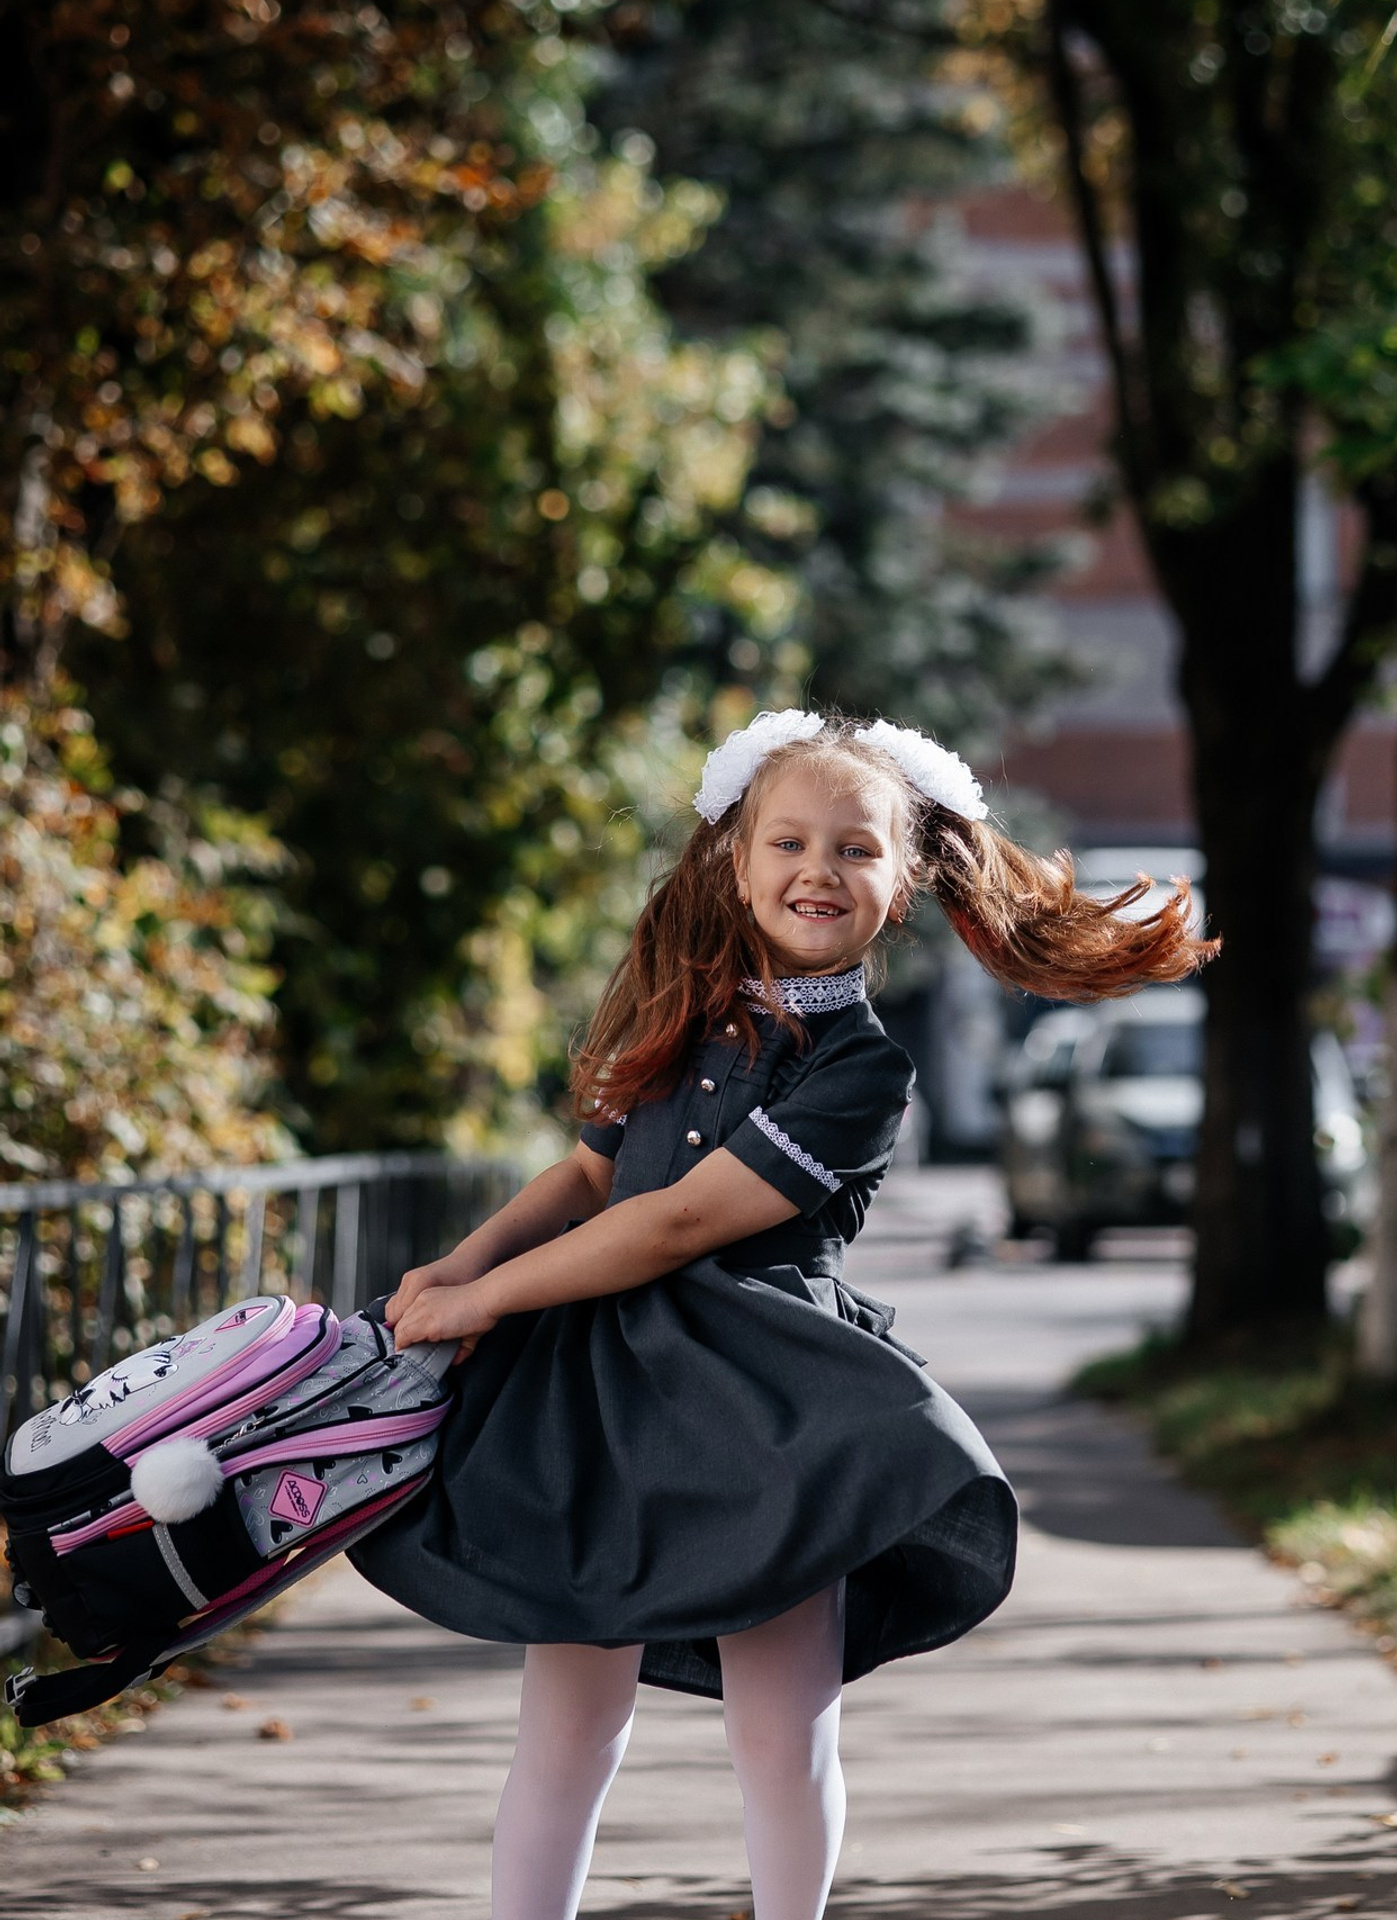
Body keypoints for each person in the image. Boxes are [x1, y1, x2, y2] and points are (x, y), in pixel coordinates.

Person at [350, 709, 1214, 1920]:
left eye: (856, 849)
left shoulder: (860, 1065)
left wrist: (488, 1299)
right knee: (569, 1722)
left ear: (904, 877)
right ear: (736, 857)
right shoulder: (678, 1008)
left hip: (766, 1408)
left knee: (780, 1724)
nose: (819, 870)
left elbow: (678, 1224)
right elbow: (593, 1178)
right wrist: (460, 1263)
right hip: (595, 1397)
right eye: (789, 842)